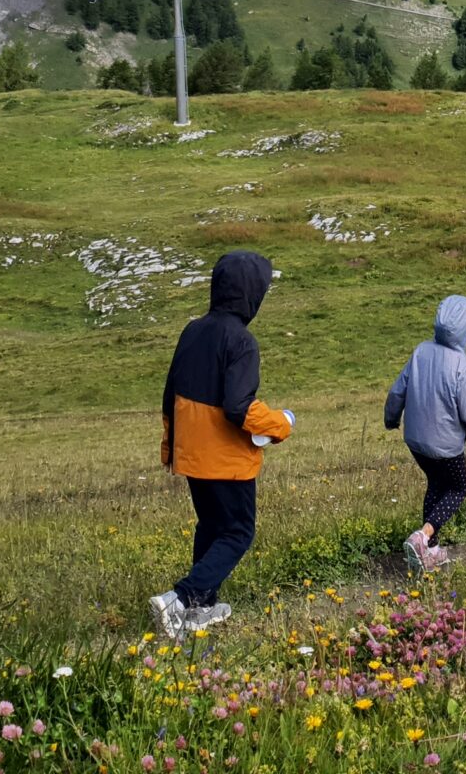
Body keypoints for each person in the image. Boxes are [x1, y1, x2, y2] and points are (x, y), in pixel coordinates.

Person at [152, 250, 293, 640]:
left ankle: (202, 607)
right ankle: (181, 599)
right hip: (226, 459)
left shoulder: (192, 330)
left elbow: (170, 394)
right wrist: (281, 424)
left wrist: (171, 446)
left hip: (191, 453)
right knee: (237, 532)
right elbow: (238, 407)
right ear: (252, 295)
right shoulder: (242, 341)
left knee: (211, 524)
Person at [383, 294, 466, 572]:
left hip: (415, 440)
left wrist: (391, 419)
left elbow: (397, 392)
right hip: (446, 446)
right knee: (457, 488)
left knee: (436, 484)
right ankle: (423, 536)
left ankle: (432, 550)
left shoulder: (421, 351)